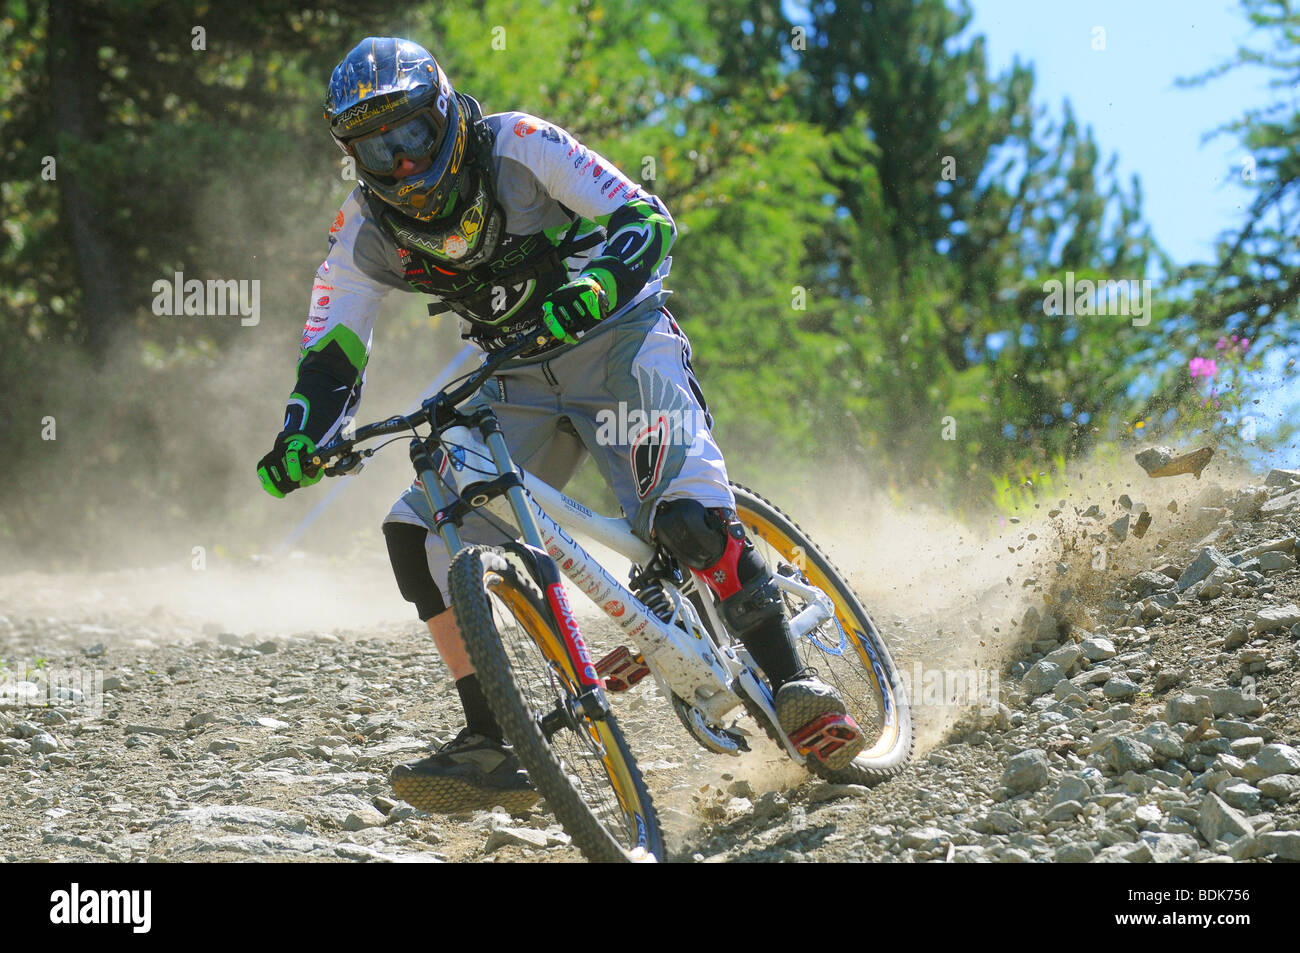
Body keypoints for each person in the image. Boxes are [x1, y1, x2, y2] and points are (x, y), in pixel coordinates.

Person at [256, 37, 864, 814]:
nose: (401, 161)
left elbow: (645, 217)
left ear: (441, 113)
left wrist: (599, 284)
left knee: (683, 519)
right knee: (418, 532)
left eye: (409, 133)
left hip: (619, 339)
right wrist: (303, 433)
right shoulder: (364, 227)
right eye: (376, 147)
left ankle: (796, 682)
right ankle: (489, 740)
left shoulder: (518, 144)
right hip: (514, 377)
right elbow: (333, 343)